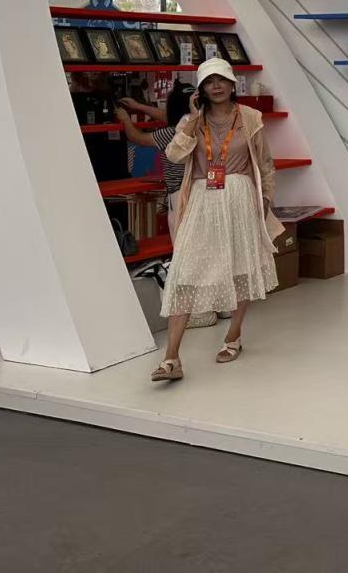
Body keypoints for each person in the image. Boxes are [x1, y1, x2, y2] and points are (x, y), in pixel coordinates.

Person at [150, 58, 283, 382]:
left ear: (232, 84)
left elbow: (265, 163)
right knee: (184, 271)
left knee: (241, 268)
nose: (217, 86)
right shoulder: (191, 122)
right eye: (210, 82)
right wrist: (193, 121)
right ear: (201, 89)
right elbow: (174, 155)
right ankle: (171, 358)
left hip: (240, 198)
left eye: (221, 80)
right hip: (202, 200)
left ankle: (233, 336)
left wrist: (266, 199)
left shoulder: (250, 117)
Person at [116, 82, 194, 234]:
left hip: (179, 194)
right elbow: (169, 116)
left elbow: (137, 137)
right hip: (197, 190)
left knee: (181, 238)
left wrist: (125, 119)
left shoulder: (171, 134)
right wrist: (139, 106)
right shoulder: (199, 125)